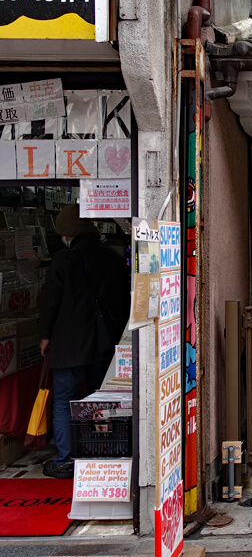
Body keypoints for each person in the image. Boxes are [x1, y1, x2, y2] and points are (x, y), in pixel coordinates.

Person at [39, 204, 130, 478]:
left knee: (64, 399)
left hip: (68, 345)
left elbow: (50, 302)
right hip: (103, 342)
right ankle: (99, 452)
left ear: (67, 233)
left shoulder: (63, 260)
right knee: (99, 399)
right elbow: (122, 301)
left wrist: (45, 336)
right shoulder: (112, 258)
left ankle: (66, 459)